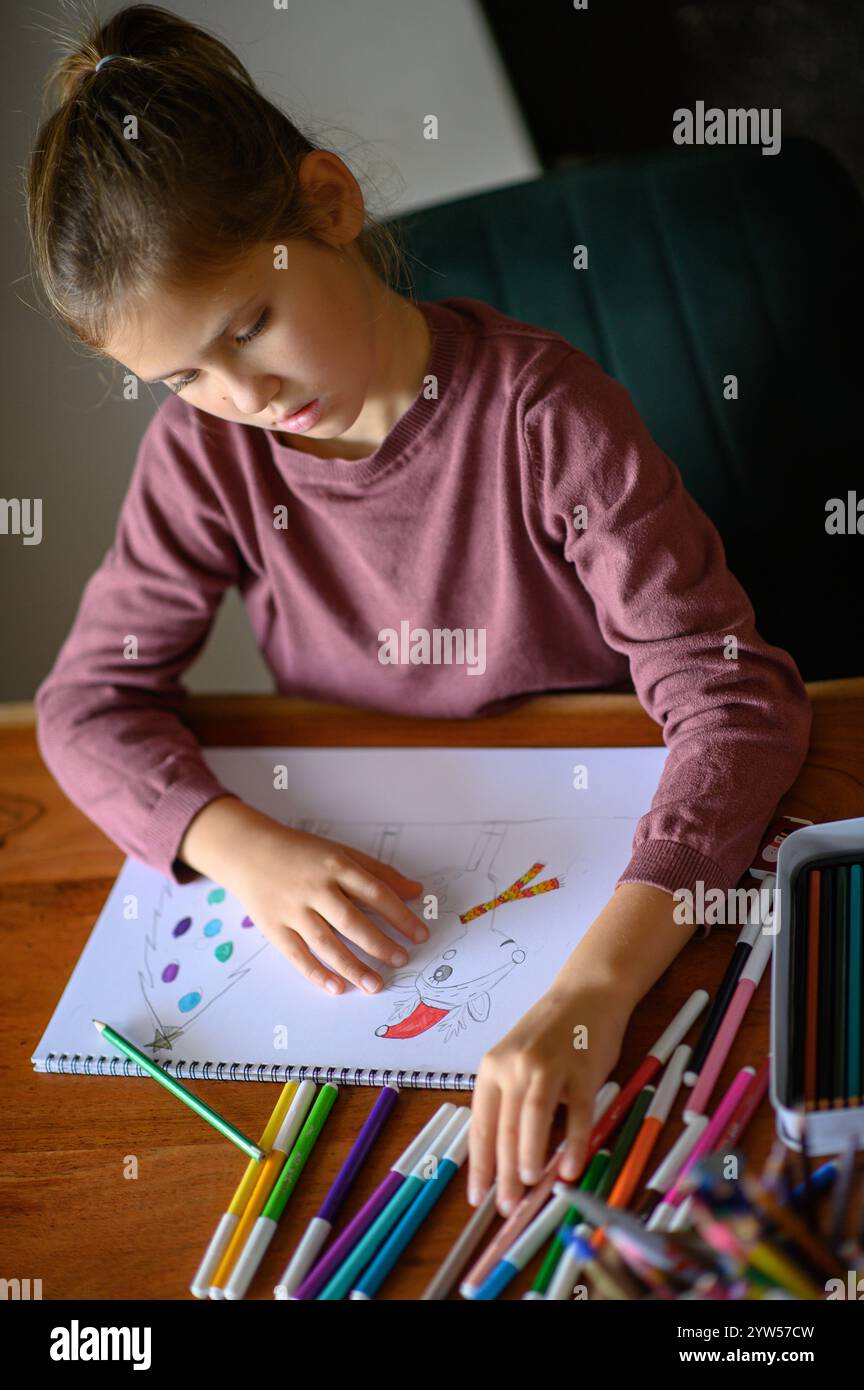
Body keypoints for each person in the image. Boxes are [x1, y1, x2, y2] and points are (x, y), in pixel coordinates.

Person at [27, 4, 811, 1220]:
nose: (242, 397)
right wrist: (248, 851)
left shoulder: (548, 416)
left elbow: (737, 704)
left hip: (596, 849)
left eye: (251, 325)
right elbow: (84, 704)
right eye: (183, 374)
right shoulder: (205, 456)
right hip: (376, 876)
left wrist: (590, 994)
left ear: (329, 206)